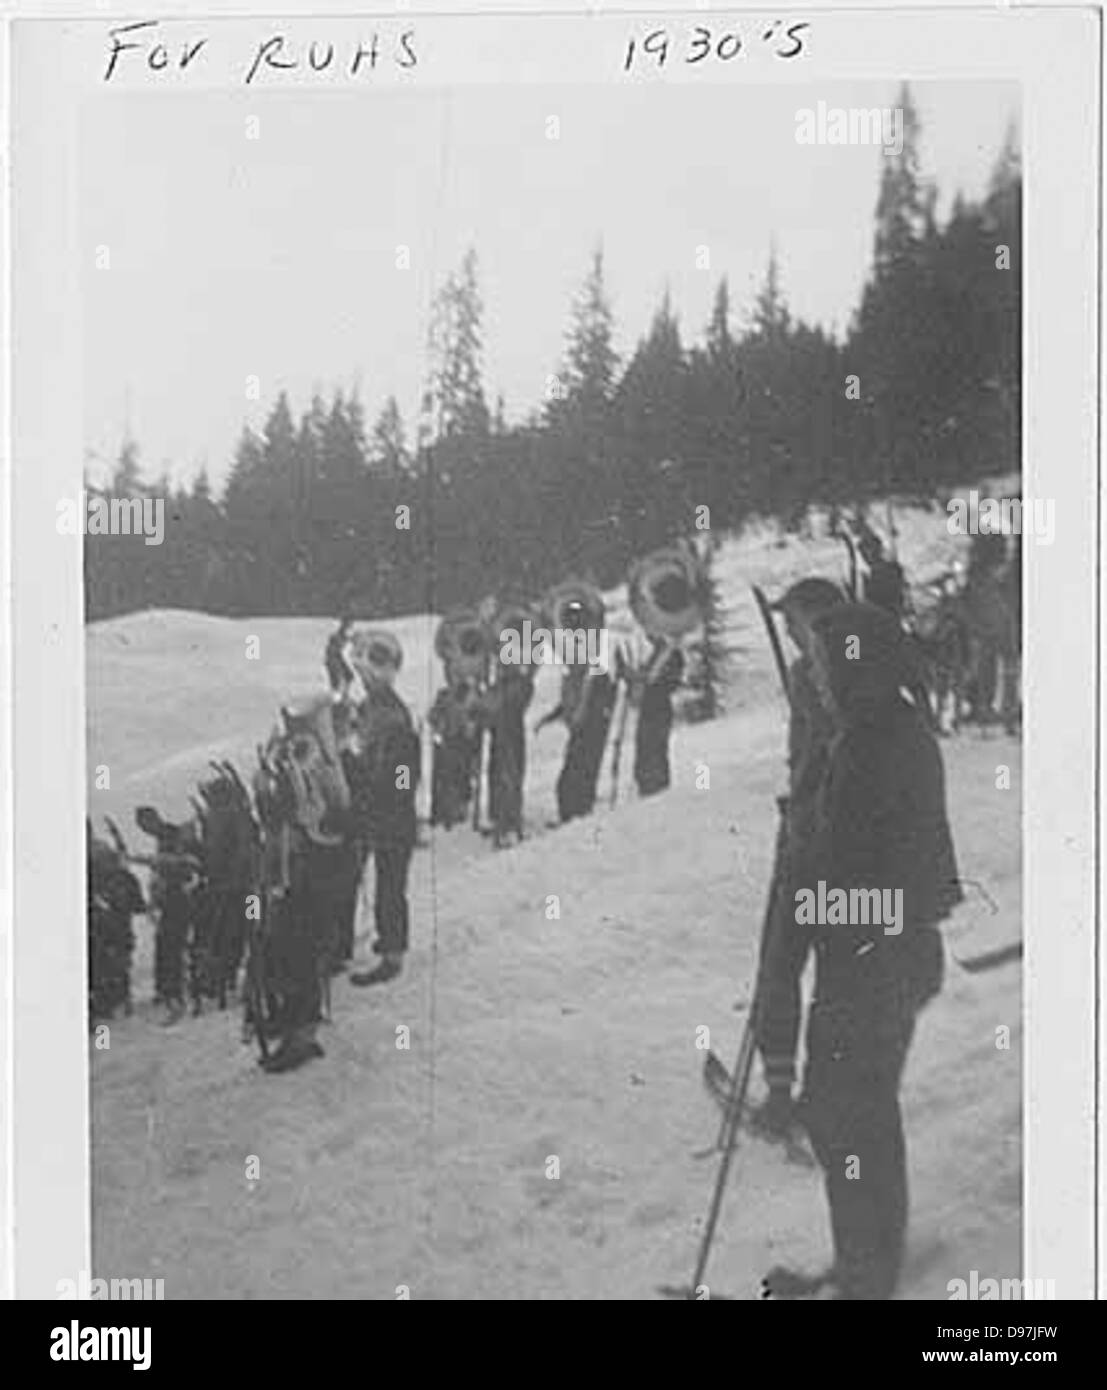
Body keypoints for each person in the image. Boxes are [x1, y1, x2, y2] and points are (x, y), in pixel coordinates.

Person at [765, 602, 962, 1301]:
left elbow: (848, 873)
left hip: (873, 961)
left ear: (849, 664)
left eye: (820, 662)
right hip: (885, 957)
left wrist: (800, 845)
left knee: (843, 1112)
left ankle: (866, 1275)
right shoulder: (874, 729)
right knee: (858, 1112)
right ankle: (865, 1264)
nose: (812, 677)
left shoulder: (875, 740)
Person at [749, 577, 844, 1141]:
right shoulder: (829, 673)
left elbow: (819, 755)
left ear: (816, 617)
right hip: (831, 842)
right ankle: (815, 1093)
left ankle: (786, 1097)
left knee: (782, 961)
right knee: (824, 971)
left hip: (816, 844)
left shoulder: (819, 675)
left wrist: (801, 808)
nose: (787, 630)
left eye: (793, 620)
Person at [349, 631, 421, 988]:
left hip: (391, 814)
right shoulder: (372, 710)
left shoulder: (394, 718)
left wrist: (387, 796)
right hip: (375, 809)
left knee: (390, 887)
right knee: (371, 881)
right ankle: (381, 941)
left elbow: (405, 777)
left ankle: (393, 953)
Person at [135, 806, 203, 1025]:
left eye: (146, 825)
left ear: (154, 819)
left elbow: (185, 864)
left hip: (179, 900)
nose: (146, 830)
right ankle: (169, 991)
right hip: (172, 900)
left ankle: (176, 995)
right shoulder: (165, 836)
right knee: (167, 945)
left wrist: (158, 864)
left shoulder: (171, 835)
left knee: (172, 946)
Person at [87, 823, 145, 1024]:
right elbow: (139, 905)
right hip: (112, 924)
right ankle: (118, 1000)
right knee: (114, 961)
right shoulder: (119, 871)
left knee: (108, 961)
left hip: (108, 924)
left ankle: (113, 1002)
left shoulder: (95, 856)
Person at [483, 665, 535, 847]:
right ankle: (506, 824)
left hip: (508, 736)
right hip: (505, 737)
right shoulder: (506, 687)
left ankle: (507, 823)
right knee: (506, 778)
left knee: (507, 778)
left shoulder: (513, 686)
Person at [631, 637, 684, 797]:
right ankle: (647, 785)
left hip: (659, 705)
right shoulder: (653, 654)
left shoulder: (669, 654)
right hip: (650, 706)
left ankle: (655, 787)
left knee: (654, 747)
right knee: (646, 746)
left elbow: (671, 681)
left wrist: (648, 680)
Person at [324, 617, 355, 699]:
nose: (352, 632)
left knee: (346, 680)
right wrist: (352, 669)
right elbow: (344, 656)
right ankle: (338, 702)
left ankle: (342, 700)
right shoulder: (340, 639)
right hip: (336, 665)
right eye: (350, 629)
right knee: (340, 685)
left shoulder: (339, 638)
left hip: (335, 665)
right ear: (345, 629)